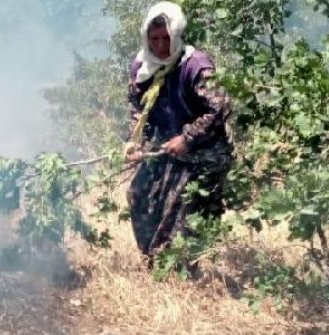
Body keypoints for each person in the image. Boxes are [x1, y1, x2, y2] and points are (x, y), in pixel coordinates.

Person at [123, 2, 234, 269]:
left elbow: (221, 107)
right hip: (167, 145)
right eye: (155, 39)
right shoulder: (142, 67)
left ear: (176, 35)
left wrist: (188, 139)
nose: (160, 45)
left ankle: (178, 270)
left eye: (166, 38)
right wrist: (135, 142)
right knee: (138, 194)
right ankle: (152, 260)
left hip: (206, 150)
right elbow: (137, 109)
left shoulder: (195, 65)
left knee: (180, 207)